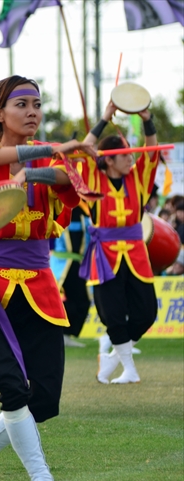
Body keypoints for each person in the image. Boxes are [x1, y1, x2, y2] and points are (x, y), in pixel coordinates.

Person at [0, 75, 94, 481]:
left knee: (42, 398)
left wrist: (53, 162)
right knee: (11, 386)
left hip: (41, 291)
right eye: (22, 104)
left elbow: (72, 185)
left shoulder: (52, 165)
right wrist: (52, 150)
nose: (32, 112)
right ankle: (42, 480)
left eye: (37, 104)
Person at [81, 99, 159, 384]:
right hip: (104, 255)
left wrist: (147, 119)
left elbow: (151, 153)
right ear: (109, 159)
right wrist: (104, 119)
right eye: (125, 155)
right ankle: (130, 369)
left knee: (147, 313)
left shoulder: (138, 179)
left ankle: (114, 358)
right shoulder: (91, 178)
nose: (131, 159)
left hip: (137, 254)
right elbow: (84, 151)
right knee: (112, 315)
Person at [50, 202, 92, 348]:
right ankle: (59, 334)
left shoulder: (85, 211)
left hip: (79, 264)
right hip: (60, 263)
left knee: (83, 301)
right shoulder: (57, 207)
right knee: (60, 300)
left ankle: (68, 334)